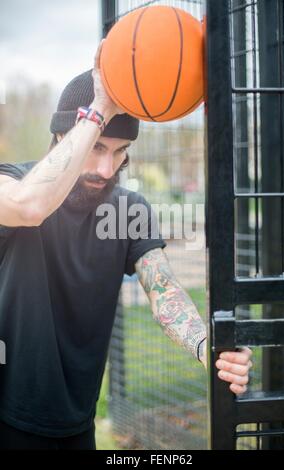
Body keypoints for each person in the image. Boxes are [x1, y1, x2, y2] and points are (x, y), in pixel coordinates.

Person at [0, 40, 252, 450]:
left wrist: (208, 347)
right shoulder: (11, 181)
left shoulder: (129, 208)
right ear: (65, 133)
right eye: (97, 147)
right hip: (7, 414)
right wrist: (98, 111)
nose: (106, 168)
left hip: (77, 421)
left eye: (120, 153)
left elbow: (163, 289)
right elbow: (30, 207)